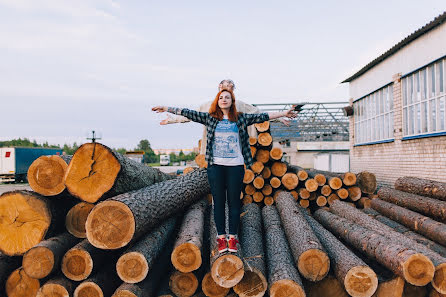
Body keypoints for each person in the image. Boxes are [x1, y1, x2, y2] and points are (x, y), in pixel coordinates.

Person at [152, 89, 297, 253]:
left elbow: (262, 116)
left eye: (227, 97)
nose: (224, 99)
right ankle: (221, 238)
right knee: (218, 203)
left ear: (232, 101)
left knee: (234, 203)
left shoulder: (240, 118)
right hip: (216, 167)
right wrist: (166, 108)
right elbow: (189, 113)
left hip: (235, 166)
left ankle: (232, 238)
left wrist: (284, 113)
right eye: (221, 97)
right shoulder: (210, 118)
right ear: (217, 101)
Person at [159, 79, 290, 155]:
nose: (229, 88)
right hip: (214, 150)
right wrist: (171, 120)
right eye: (227, 86)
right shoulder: (208, 106)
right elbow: (189, 115)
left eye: (232, 87)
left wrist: (280, 117)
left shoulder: (240, 105)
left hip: (236, 150)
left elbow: (258, 114)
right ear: (219, 87)